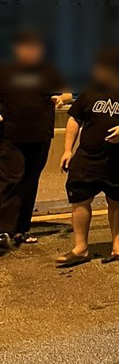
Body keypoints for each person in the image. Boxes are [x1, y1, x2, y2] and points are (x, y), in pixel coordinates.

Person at [56, 48, 119, 268]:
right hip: (87, 158)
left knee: (118, 202)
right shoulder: (89, 92)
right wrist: (67, 149)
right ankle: (80, 247)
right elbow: (74, 120)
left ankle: (118, 246)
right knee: (80, 200)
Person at [0, 30, 72, 249]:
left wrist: (61, 98)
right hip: (10, 135)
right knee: (10, 180)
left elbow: (68, 92)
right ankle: (3, 230)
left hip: (40, 134)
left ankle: (22, 230)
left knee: (30, 181)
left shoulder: (48, 72)